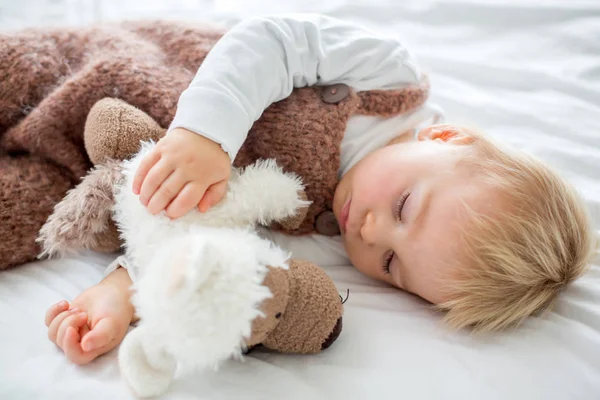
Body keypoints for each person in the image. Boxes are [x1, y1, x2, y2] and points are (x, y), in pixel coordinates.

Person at [44, 14, 596, 365]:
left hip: (117, 164)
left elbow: (209, 241)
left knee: (30, 212)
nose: (369, 230)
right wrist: (205, 133)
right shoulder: (389, 78)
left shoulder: (330, 234)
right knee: (46, 73)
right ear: (448, 137)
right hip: (164, 77)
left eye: (391, 265)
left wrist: (123, 292)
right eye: (405, 206)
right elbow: (271, 40)